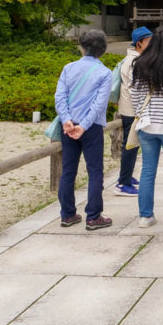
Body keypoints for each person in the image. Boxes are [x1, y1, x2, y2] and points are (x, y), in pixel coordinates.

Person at [54, 29, 114, 230]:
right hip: (91, 127)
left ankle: (67, 214)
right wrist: (84, 126)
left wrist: (67, 120)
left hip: (69, 127)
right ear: (103, 50)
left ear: (81, 46)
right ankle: (93, 216)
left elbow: (59, 97)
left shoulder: (68, 68)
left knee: (68, 171)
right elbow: (99, 104)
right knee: (95, 171)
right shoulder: (105, 73)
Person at [130, 26, 163, 229]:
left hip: (148, 126)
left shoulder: (140, 64)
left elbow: (135, 95)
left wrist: (143, 115)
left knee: (147, 171)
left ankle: (145, 216)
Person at [114, 26, 152, 197]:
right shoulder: (135, 61)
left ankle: (126, 176)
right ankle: (123, 183)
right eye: (149, 41)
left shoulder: (130, 59)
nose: (152, 45)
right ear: (139, 43)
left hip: (127, 107)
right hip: (132, 109)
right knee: (130, 145)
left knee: (131, 144)